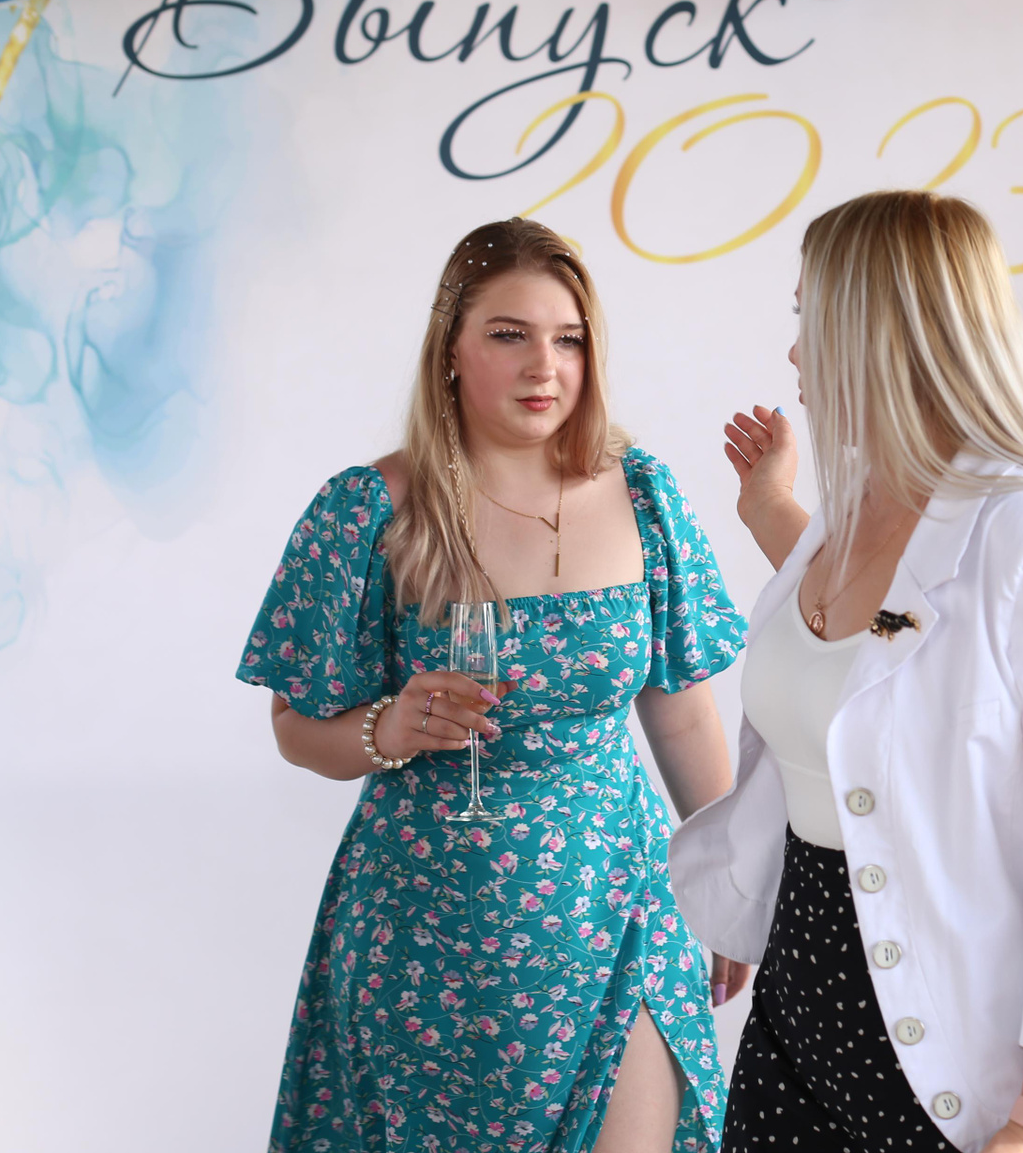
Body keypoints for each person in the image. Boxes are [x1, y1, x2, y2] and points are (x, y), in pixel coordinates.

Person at [668, 190, 1023, 1153]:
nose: (794, 354)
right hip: (809, 1001)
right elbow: (851, 673)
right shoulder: (853, 512)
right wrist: (768, 507)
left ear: (884, 332)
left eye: (811, 320)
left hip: (990, 1057)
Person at [235, 218, 747, 1153]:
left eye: (569, 338)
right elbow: (293, 727)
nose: (543, 366)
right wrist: (388, 728)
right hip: (424, 931)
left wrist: (731, 882)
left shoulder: (643, 494)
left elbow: (680, 714)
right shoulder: (369, 509)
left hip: (618, 901)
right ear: (451, 350)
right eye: (509, 335)